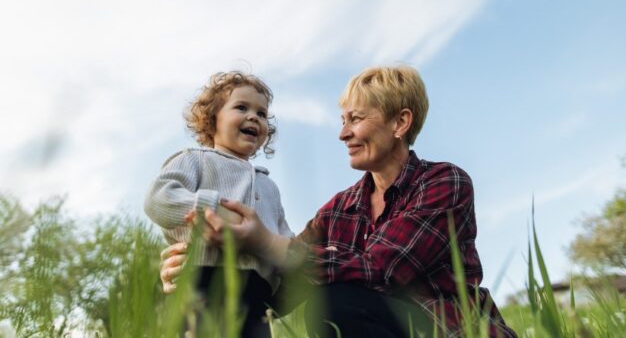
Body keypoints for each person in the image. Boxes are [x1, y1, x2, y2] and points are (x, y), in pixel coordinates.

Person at [160, 66, 516, 337]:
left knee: (338, 301)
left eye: (355, 119)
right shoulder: (337, 211)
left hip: (451, 329)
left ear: (400, 122)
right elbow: (285, 284)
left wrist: (265, 241)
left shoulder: (444, 183)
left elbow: (381, 270)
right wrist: (205, 274)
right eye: (343, 120)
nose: (343, 133)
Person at [144, 71, 294, 338]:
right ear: (212, 121)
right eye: (241, 107)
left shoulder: (269, 187)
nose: (254, 117)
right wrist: (208, 208)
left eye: (261, 114)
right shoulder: (195, 160)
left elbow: (283, 236)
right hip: (204, 281)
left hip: (257, 297)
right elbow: (159, 197)